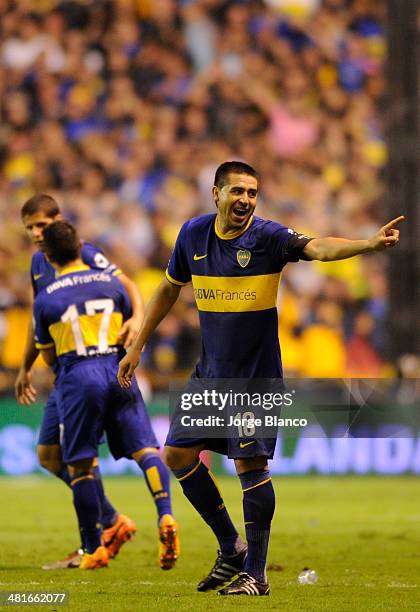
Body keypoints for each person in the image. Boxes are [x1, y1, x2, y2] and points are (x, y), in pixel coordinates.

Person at [118, 161, 403, 595]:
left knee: (250, 467)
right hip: (209, 376)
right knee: (176, 455)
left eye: (252, 193)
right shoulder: (192, 234)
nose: (246, 200)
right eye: (238, 191)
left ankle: (257, 572)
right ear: (216, 194)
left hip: (255, 380)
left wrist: (366, 244)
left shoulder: (269, 238)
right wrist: (138, 343)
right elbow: (169, 289)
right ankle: (230, 548)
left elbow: (319, 249)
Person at [33, 220, 180, 569]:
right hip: (117, 368)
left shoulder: (47, 297)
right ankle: (166, 515)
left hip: (80, 374)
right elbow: (131, 319)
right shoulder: (112, 282)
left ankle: (93, 547)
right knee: (146, 449)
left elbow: (49, 355)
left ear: (49, 257)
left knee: (81, 463)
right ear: (80, 246)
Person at [17, 194, 140, 569]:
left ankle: (97, 538)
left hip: (91, 367)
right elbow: (38, 318)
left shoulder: (83, 252)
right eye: (30, 228)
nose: (36, 234)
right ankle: (112, 520)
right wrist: (25, 367)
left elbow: (128, 284)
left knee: (78, 457)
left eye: (41, 225)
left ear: (58, 220)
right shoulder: (39, 264)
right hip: (64, 373)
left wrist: (135, 319)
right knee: (48, 455)